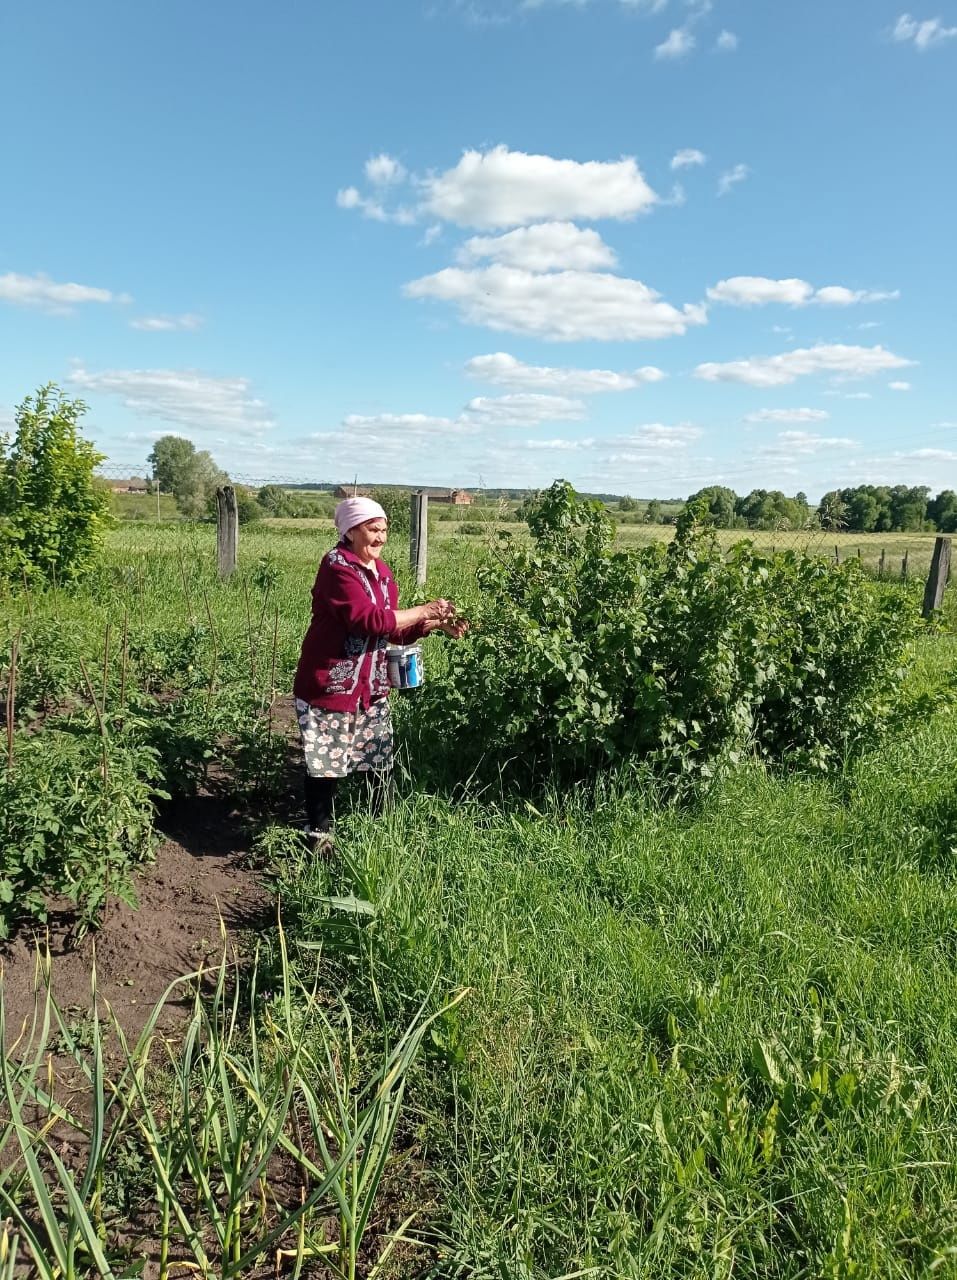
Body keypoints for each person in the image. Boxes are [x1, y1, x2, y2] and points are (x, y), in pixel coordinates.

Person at [292, 495, 466, 846]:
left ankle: (376, 833)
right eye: (373, 529)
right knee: (326, 764)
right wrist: (421, 609)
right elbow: (367, 620)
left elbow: (390, 628)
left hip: (371, 686)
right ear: (352, 530)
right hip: (332, 685)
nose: (381, 537)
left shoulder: (382, 573)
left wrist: (433, 622)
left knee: (378, 758)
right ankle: (319, 835)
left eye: (384, 530)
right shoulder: (337, 567)